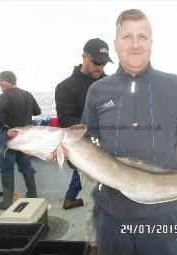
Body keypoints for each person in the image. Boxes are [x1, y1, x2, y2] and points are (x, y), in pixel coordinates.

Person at [81, 9, 177, 255]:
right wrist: (68, 151)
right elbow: (90, 138)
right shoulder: (97, 91)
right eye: (127, 37)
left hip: (163, 214)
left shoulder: (175, 86)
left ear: (151, 42)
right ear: (116, 44)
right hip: (111, 214)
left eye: (142, 36)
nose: (135, 44)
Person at [55, 38, 113, 254]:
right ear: (84, 57)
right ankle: (94, 246)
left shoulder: (112, 82)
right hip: (87, 157)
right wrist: (98, 126)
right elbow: (66, 121)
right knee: (92, 203)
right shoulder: (65, 87)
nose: (101, 67)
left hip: (116, 155)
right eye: (97, 62)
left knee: (117, 202)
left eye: (104, 63)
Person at [0, 71, 41, 210]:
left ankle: (7, 202)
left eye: (1, 79)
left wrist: (4, 128)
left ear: (9, 81)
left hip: (10, 136)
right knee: (26, 165)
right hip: (24, 137)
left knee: (6, 169)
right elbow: (37, 111)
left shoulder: (4, 96)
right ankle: (33, 195)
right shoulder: (27, 94)